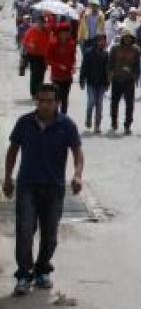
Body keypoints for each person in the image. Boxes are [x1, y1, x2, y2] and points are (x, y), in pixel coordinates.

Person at [4, 84, 84, 296]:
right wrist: (7, 178)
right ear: (36, 101)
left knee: (50, 235)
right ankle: (23, 274)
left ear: (57, 102)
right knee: (24, 232)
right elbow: (12, 150)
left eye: (49, 101)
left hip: (54, 188)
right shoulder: (24, 122)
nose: (45, 105)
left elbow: (77, 152)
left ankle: (42, 269)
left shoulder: (66, 125)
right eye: (41, 100)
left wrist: (77, 175)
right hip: (27, 186)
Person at [108, 28, 141, 135]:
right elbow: (110, 63)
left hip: (129, 80)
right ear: (122, 38)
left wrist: (136, 76)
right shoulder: (115, 48)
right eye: (125, 37)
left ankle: (127, 125)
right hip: (117, 79)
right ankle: (114, 122)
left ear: (132, 38)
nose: (127, 39)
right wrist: (110, 75)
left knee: (130, 104)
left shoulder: (136, 49)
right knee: (114, 103)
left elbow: (137, 65)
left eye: (129, 38)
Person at [79, 33, 110, 133]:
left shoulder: (106, 55)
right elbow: (84, 67)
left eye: (103, 41)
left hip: (101, 83)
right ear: (96, 42)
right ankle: (88, 118)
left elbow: (107, 70)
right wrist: (82, 80)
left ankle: (97, 125)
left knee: (99, 105)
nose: (101, 43)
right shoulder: (89, 53)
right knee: (91, 102)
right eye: (100, 40)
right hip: (91, 82)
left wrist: (108, 83)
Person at [45, 23, 76, 114]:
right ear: (59, 33)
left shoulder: (71, 43)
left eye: (67, 32)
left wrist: (73, 66)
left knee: (65, 99)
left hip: (67, 76)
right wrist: (58, 65)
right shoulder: (52, 43)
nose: (65, 35)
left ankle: (63, 118)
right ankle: (54, 117)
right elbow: (48, 59)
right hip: (56, 76)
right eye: (63, 33)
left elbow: (72, 57)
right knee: (57, 98)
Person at [21, 16, 50, 100]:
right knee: (34, 74)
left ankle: (39, 91)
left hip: (43, 56)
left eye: (43, 23)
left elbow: (49, 42)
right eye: (40, 23)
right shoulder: (31, 30)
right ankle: (33, 92)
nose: (41, 24)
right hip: (33, 55)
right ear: (37, 22)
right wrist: (30, 45)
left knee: (41, 74)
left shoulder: (46, 32)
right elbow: (25, 42)